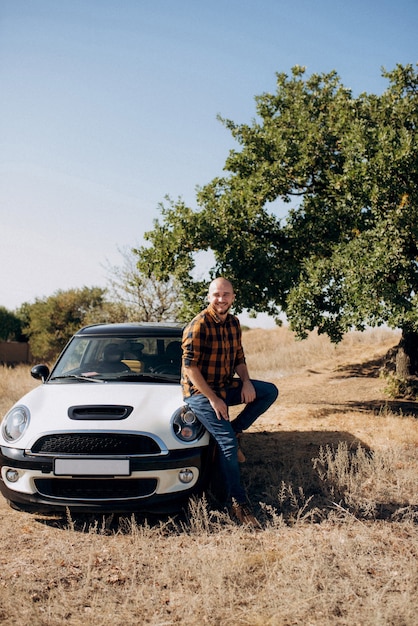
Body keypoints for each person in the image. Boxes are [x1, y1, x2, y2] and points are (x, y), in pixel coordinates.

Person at [181, 277, 278, 528]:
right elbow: (190, 369)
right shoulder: (198, 325)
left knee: (268, 391)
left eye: (226, 294)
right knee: (226, 443)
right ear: (208, 296)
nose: (221, 299)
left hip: (225, 386)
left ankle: (236, 428)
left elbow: (239, 358)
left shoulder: (234, 323)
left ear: (233, 297)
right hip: (200, 393)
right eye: (216, 295)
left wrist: (246, 382)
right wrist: (213, 399)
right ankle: (239, 502)